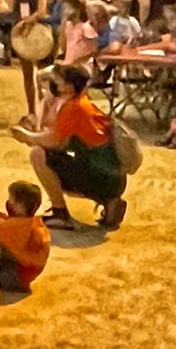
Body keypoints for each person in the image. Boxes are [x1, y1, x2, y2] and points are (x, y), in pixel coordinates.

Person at [12, 64, 130, 230]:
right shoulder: (80, 101)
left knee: (38, 155)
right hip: (110, 175)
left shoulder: (74, 108)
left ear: (68, 87)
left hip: (104, 177)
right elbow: (55, 136)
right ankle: (109, 201)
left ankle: (61, 214)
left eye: (57, 81)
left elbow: (54, 141)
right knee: (46, 153)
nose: (53, 84)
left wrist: (27, 136)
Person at [0, 181, 50, 293]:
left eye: (12, 199)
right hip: (23, 273)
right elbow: (6, 223)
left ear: (21, 206)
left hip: (15, 276)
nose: (9, 202)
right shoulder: (35, 222)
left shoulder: (17, 227)